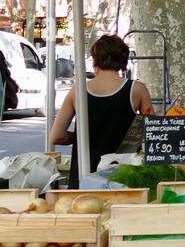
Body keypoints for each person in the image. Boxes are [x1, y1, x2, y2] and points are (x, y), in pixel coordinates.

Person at [50, 34, 154, 187]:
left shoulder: (77, 91)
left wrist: (81, 136)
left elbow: (56, 136)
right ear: (123, 61)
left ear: (94, 60)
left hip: (83, 178)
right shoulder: (137, 90)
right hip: (125, 178)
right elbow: (151, 133)